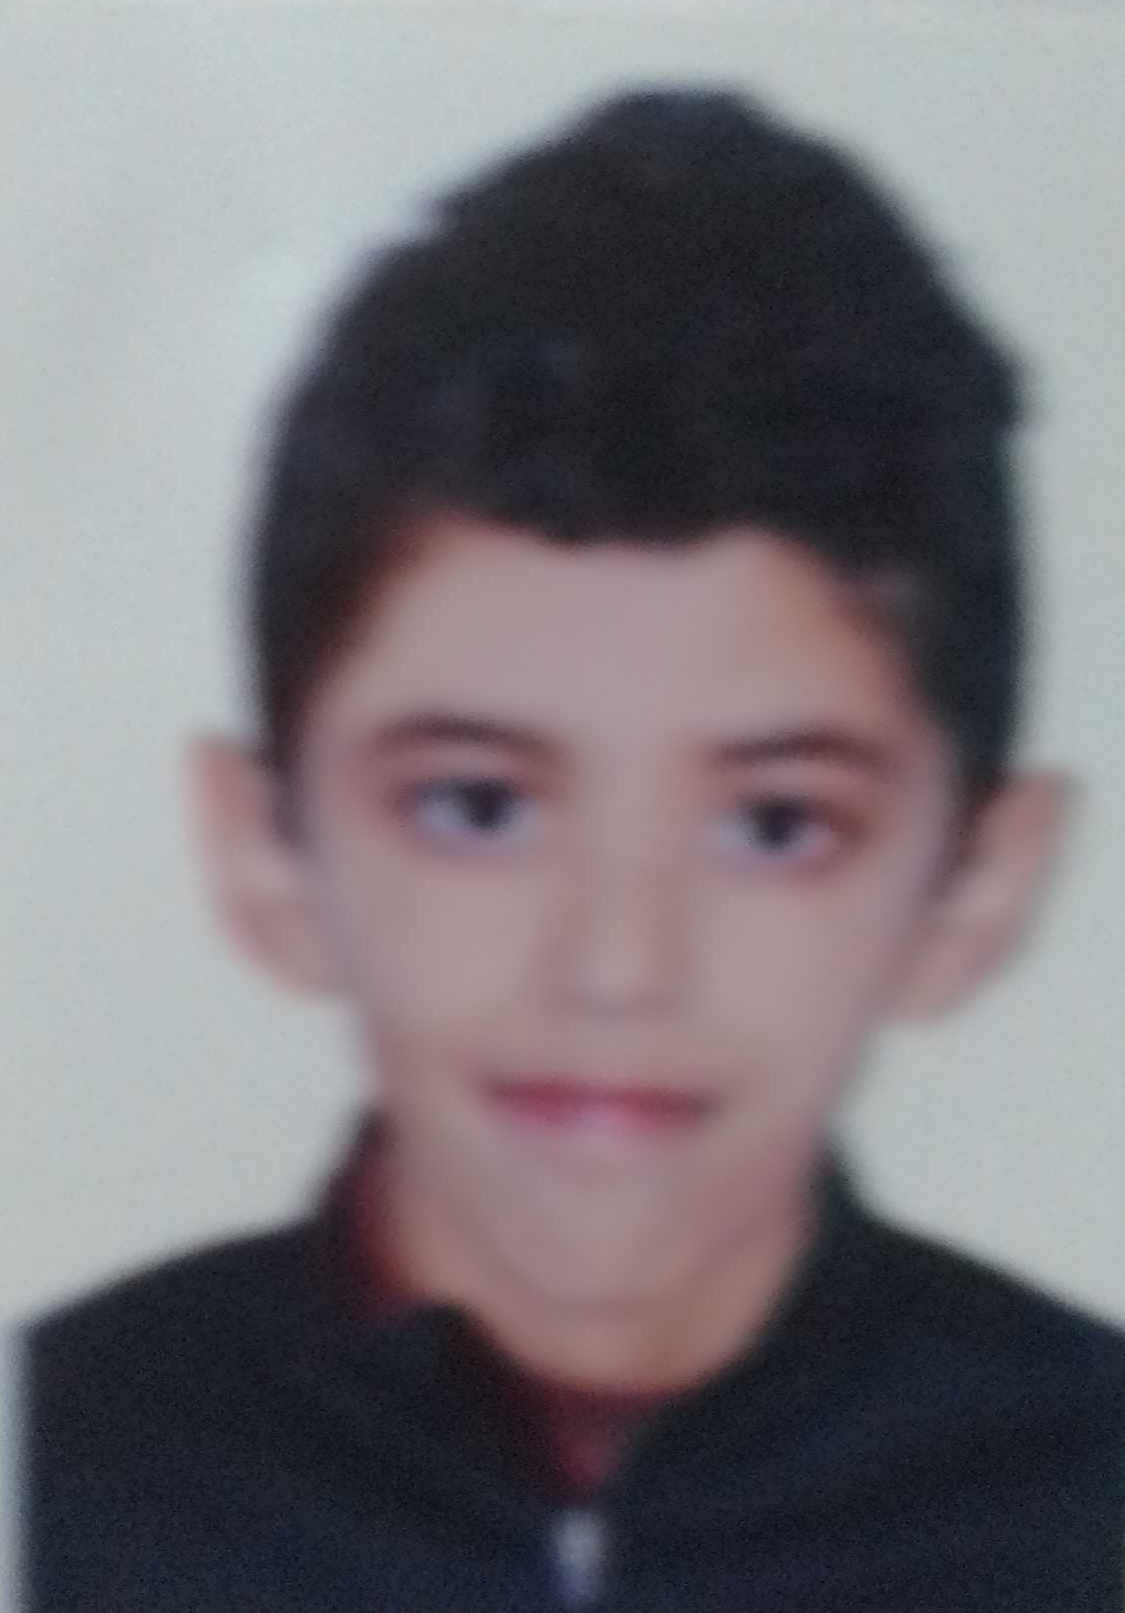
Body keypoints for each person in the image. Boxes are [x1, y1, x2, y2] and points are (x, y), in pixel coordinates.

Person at [24, 85, 1125, 1612]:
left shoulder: (1089, 1499)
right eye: (477, 806)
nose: (616, 967)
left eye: (774, 824)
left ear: (975, 890)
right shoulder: (59, 1469)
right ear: (264, 850)